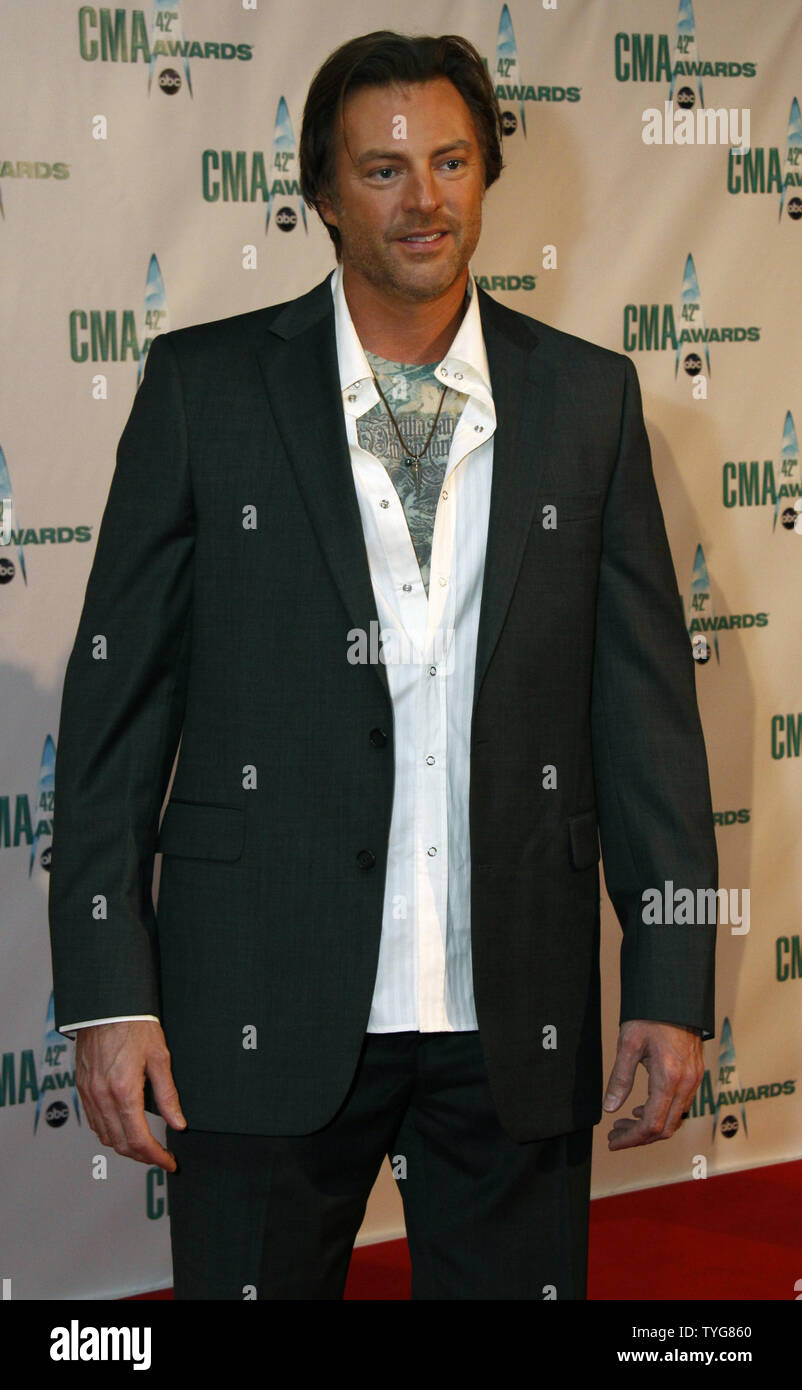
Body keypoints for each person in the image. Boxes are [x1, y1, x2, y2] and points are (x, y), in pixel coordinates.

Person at [48, 31, 717, 1300]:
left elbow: (643, 722)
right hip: (255, 1002)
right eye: (385, 169)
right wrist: (105, 997)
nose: (426, 200)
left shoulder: (585, 400)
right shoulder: (207, 391)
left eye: (453, 161)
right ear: (320, 195)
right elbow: (114, 721)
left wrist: (672, 980)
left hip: (508, 1011)